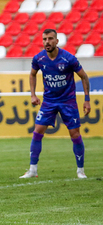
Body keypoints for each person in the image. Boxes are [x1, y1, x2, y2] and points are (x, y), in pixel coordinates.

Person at [20, 29, 91, 179]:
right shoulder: (39, 59)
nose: (47, 42)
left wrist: (87, 99)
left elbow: (84, 77)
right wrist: (33, 95)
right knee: (37, 131)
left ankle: (80, 170)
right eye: (45, 39)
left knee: (75, 134)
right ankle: (32, 170)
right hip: (49, 101)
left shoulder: (68, 59)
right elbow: (32, 74)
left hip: (68, 101)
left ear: (57, 41)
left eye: (50, 39)